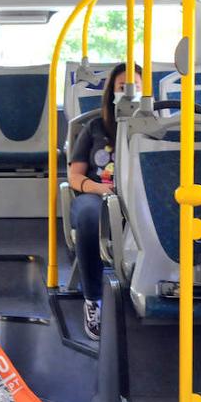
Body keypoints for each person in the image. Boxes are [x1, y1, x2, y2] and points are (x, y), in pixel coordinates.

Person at [66, 62, 140, 340]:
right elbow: (74, 176)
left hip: (140, 197)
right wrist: (98, 189)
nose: (130, 94)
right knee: (88, 215)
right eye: (123, 88)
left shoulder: (154, 129)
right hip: (97, 194)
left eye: (136, 88)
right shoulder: (95, 127)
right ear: (112, 93)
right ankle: (92, 299)